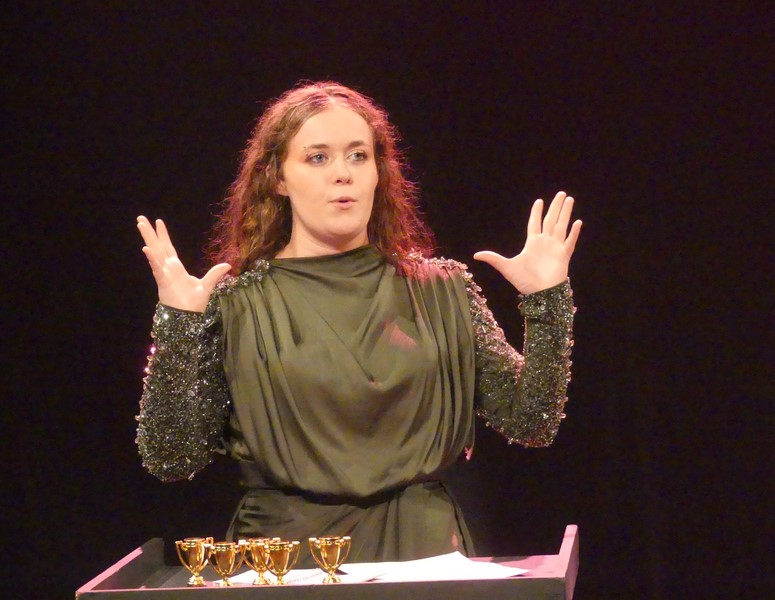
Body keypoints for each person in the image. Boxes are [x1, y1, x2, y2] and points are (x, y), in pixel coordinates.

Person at [135, 81, 581, 566]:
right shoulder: (236, 304)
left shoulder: (442, 291)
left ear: (377, 173)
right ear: (278, 178)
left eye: (358, 156)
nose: (342, 174)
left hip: (423, 559)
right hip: (285, 564)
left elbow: (532, 422)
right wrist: (177, 327)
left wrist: (546, 302)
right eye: (317, 158)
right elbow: (171, 457)